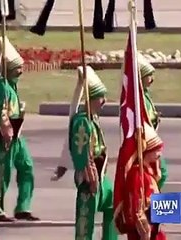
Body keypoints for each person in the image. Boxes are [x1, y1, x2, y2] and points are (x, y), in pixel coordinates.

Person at [0, 36, 39, 222]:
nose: (21, 70)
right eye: (17, 68)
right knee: (1, 174)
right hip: (5, 136)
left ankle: (23, 207)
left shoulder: (13, 87)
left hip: (17, 136)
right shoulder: (1, 87)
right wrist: (4, 126)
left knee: (27, 168)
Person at [69, 66, 118, 240]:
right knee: (85, 221)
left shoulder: (93, 119)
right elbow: (80, 151)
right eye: (100, 98)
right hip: (90, 179)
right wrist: (89, 174)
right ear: (91, 100)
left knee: (114, 203)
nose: (104, 101)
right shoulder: (82, 122)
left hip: (102, 176)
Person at [114, 123, 167, 240]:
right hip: (143, 233)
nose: (160, 154)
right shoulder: (137, 174)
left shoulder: (148, 173)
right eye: (156, 150)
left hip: (154, 229)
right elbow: (135, 206)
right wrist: (143, 227)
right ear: (146, 152)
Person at [138, 56, 168, 190]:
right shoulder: (139, 98)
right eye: (149, 76)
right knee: (159, 171)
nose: (152, 79)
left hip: (151, 143)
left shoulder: (145, 95)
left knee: (160, 172)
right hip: (147, 145)